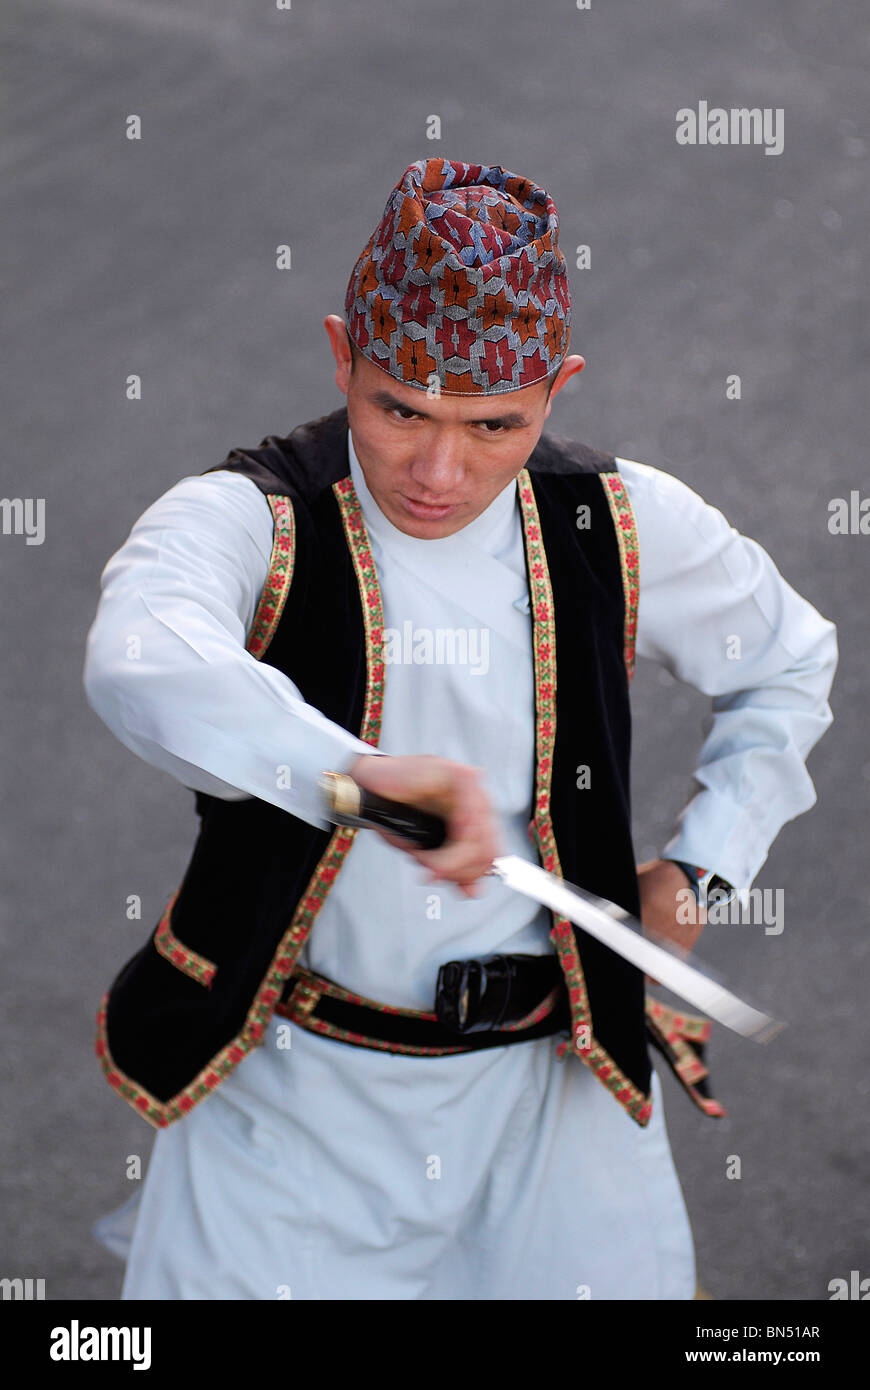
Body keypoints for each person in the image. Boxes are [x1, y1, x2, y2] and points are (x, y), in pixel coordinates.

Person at [83, 157, 837, 1300]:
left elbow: (790, 661)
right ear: (343, 355)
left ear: (557, 389)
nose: (439, 470)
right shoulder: (248, 515)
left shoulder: (617, 521)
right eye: (399, 409)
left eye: (494, 424)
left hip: (557, 1096)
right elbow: (140, 654)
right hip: (292, 1107)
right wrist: (355, 775)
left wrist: (705, 866)